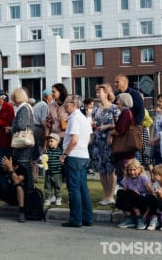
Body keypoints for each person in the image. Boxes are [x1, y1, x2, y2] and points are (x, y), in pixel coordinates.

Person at [60, 94, 93, 228]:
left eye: (67, 103)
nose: (64, 105)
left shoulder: (74, 118)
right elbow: (89, 137)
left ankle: (75, 218)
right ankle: (87, 217)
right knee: (83, 188)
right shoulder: (84, 118)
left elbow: (74, 139)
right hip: (83, 155)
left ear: (73, 104)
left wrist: (64, 154)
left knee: (73, 189)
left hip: (74, 156)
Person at [91, 84, 120, 205]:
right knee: (101, 169)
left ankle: (111, 195)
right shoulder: (96, 108)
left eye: (100, 92)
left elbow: (119, 125)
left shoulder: (114, 108)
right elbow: (93, 122)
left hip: (109, 140)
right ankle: (106, 195)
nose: (98, 95)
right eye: (97, 92)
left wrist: (107, 126)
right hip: (98, 141)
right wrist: (93, 126)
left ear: (107, 93)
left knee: (110, 169)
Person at [116, 159, 155, 230]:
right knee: (120, 193)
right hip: (132, 203)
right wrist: (131, 191)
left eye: (134, 169)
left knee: (133, 194)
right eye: (130, 170)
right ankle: (130, 217)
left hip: (142, 201)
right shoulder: (126, 178)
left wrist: (147, 212)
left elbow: (151, 194)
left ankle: (139, 218)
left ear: (139, 169)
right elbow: (123, 193)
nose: (132, 172)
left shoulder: (143, 177)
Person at [10, 88, 35, 191]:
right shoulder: (28, 107)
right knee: (26, 166)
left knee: (24, 166)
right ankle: (27, 190)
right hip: (26, 141)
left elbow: (21, 124)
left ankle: (27, 190)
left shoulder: (23, 108)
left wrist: (12, 128)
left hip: (23, 143)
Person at [110, 93, 136, 183]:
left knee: (124, 174)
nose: (117, 102)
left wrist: (110, 133)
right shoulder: (128, 112)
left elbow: (120, 130)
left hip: (124, 150)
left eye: (119, 100)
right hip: (127, 150)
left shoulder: (125, 112)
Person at [32, 88, 53, 181]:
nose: (52, 97)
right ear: (47, 96)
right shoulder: (45, 105)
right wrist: (48, 128)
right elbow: (43, 121)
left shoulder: (38, 104)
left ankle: (35, 175)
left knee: (35, 152)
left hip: (33, 128)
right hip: (38, 129)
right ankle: (41, 175)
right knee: (41, 152)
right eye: (51, 95)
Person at [43, 133, 63, 206]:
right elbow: (44, 161)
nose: (49, 143)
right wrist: (42, 161)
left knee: (57, 186)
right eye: (48, 141)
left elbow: (62, 162)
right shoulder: (47, 151)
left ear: (57, 142)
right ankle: (48, 198)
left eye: (51, 141)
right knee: (47, 186)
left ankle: (58, 198)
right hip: (48, 172)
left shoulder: (60, 152)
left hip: (57, 172)